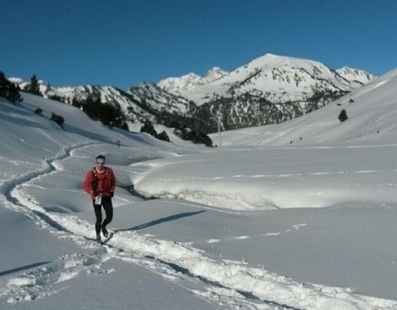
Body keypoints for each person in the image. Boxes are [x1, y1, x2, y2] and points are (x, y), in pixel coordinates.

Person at [83, 155, 116, 242]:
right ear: (96, 163)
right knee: (99, 218)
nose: (100, 165)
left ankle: (103, 226)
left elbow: (113, 181)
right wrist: (92, 192)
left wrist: (112, 190)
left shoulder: (109, 171)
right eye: (98, 163)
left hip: (106, 196)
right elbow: (85, 186)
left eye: (102, 163)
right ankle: (98, 236)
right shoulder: (92, 173)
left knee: (109, 217)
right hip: (97, 197)